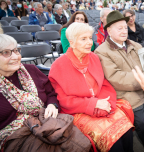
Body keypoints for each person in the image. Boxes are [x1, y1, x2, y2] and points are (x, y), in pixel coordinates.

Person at [49, 22, 134, 152]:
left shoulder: (94, 58)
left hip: (102, 106)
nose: (89, 42)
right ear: (71, 43)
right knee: (111, 138)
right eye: (83, 39)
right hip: (78, 111)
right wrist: (93, 104)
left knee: (126, 129)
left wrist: (107, 104)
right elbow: (64, 100)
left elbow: (105, 85)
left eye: (90, 38)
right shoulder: (58, 66)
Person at [95, 10, 144, 152]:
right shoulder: (102, 51)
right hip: (128, 97)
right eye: (119, 28)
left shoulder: (134, 44)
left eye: (125, 27)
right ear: (109, 30)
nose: (124, 30)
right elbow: (116, 78)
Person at [0, 33, 59, 152]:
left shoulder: (31, 70)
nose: (15, 57)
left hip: (44, 126)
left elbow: (51, 93)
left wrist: (52, 105)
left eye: (16, 50)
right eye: (6, 52)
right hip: (10, 139)